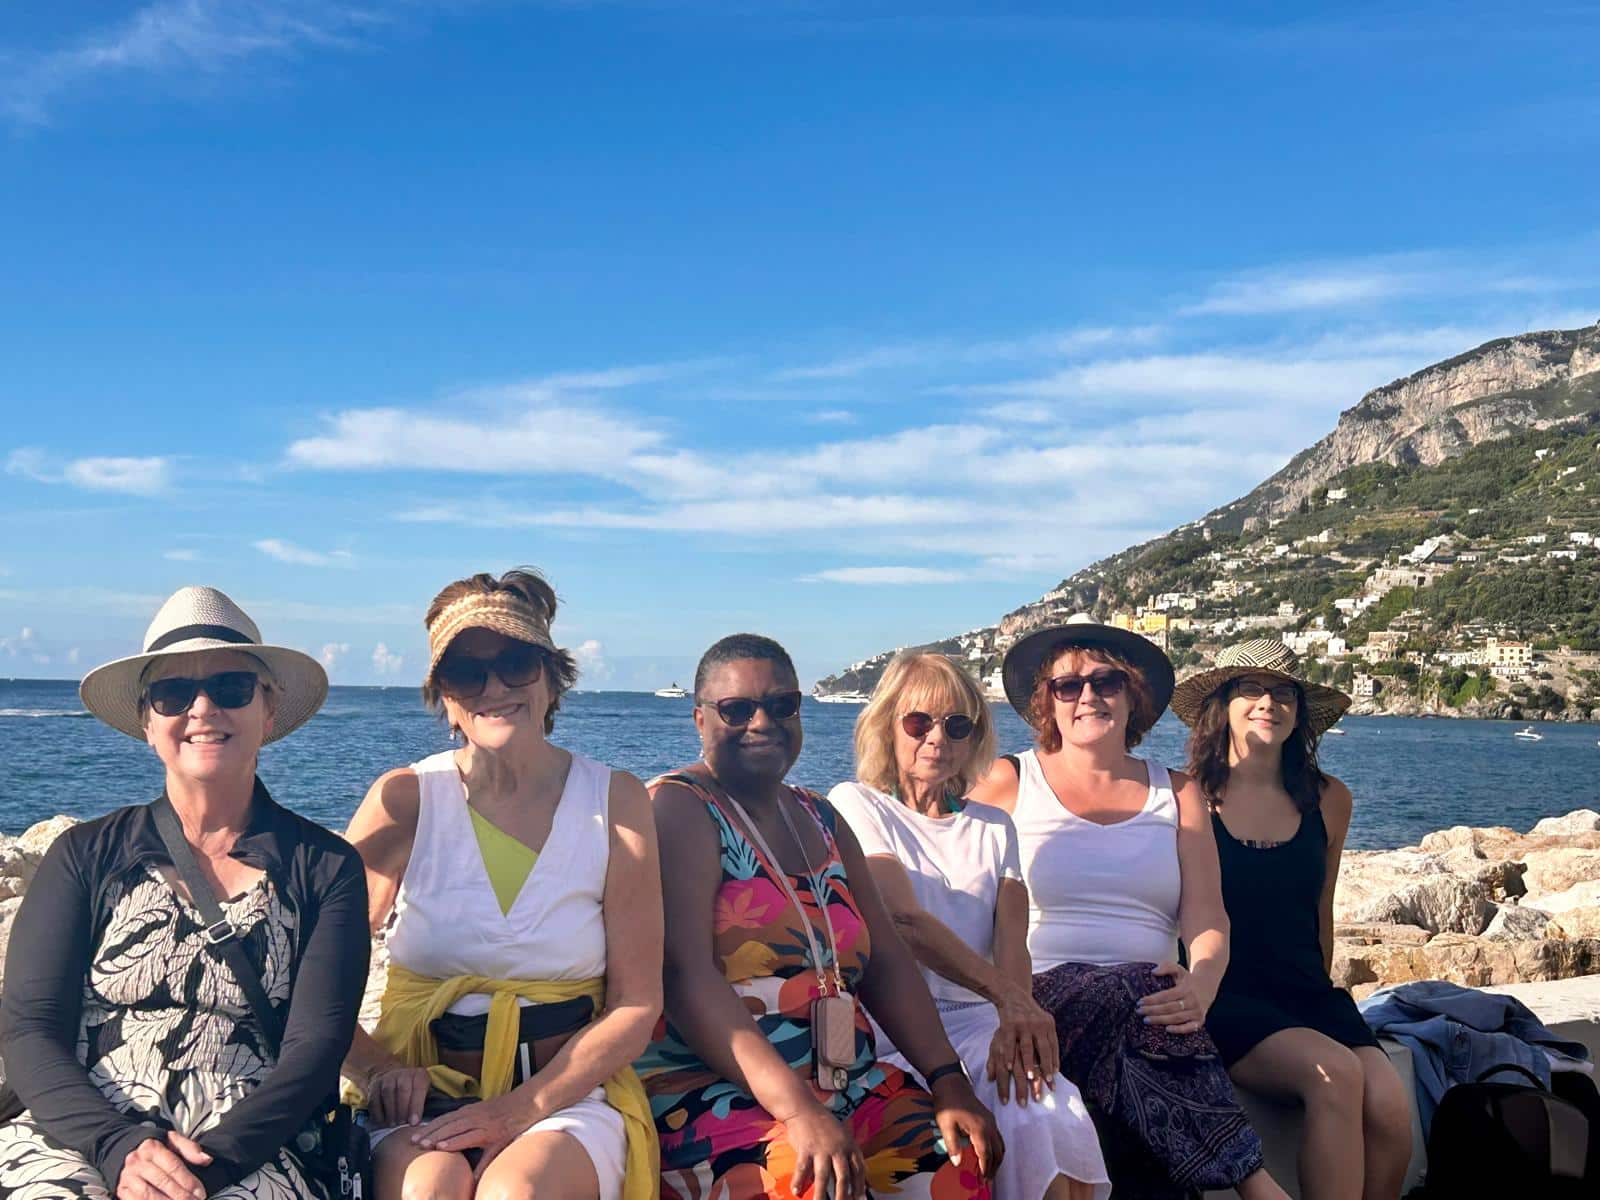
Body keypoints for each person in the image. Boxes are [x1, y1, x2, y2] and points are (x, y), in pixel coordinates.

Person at [0, 585, 370, 1199]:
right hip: (85, 1129)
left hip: (251, 1144)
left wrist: (206, 1169)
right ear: (149, 722)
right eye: (174, 694)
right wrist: (119, 1147)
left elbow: (315, 1053)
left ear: (268, 711)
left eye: (230, 688)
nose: (202, 709)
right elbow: (31, 1030)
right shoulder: (86, 856)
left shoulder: (325, 868)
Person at [637, 633, 1004, 1200]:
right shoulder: (681, 807)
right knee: (815, 1184)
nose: (763, 721)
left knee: (958, 1167)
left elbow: (885, 961)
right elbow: (686, 977)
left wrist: (947, 1078)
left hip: (844, 1082)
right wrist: (800, 1110)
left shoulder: (821, 816)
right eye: (737, 709)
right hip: (719, 1089)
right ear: (700, 720)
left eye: (782, 705)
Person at [341, 569, 661, 1200]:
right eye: (467, 674)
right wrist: (377, 1070)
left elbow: (636, 1003)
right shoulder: (405, 798)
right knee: (430, 1188)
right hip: (420, 1091)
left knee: (517, 1193)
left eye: (516, 662)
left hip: (563, 1095)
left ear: (551, 675)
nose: (494, 688)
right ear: (446, 697)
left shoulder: (615, 799)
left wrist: (520, 1109)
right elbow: (316, 970)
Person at [968, 615, 1286, 1200]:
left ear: (1130, 695)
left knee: (1143, 1007)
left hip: (1148, 1012)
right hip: (1038, 999)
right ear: (1050, 704)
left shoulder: (1179, 790)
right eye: (1069, 685)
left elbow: (1208, 917)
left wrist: (1201, 987)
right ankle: (1254, 1182)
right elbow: (951, 876)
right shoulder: (1010, 780)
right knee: (1134, 987)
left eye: (1106, 682)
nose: (1088, 695)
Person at [827, 652, 1109, 1200]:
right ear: (888, 725)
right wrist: (1012, 999)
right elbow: (904, 921)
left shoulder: (995, 825)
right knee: (1009, 1129)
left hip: (981, 1023)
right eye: (918, 722)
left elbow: (1012, 937)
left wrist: (1018, 1019)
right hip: (896, 1024)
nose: (937, 737)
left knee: (1052, 1112)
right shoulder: (856, 805)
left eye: (957, 725)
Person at [1172, 639, 1410, 1200]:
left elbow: (1321, 907)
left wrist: (1322, 991)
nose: (1267, 702)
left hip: (1306, 992)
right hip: (1225, 997)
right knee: (1334, 1075)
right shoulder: (1188, 798)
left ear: (1299, 712)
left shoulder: (1330, 799)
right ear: (1223, 705)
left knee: (1392, 1110)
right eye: (1250, 689)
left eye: (1283, 692)